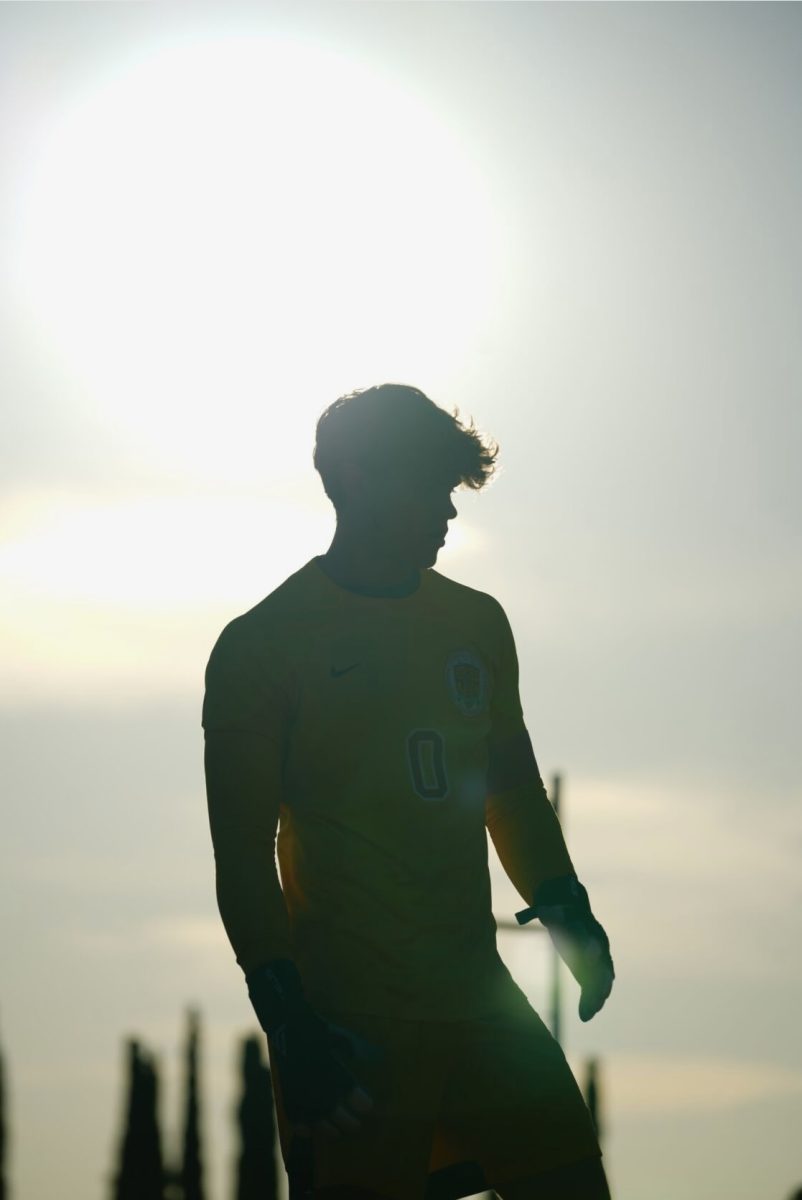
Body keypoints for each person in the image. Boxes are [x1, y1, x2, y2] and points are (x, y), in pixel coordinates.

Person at [202, 384, 615, 1200]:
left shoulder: (477, 625)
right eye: (429, 486)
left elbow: (511, 789)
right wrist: (287, 1022)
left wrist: (565, 902)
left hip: (483, 1011)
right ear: (355, 479)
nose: (448, 512)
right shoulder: (260, 649)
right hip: (351, 1031)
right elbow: (242, 858)